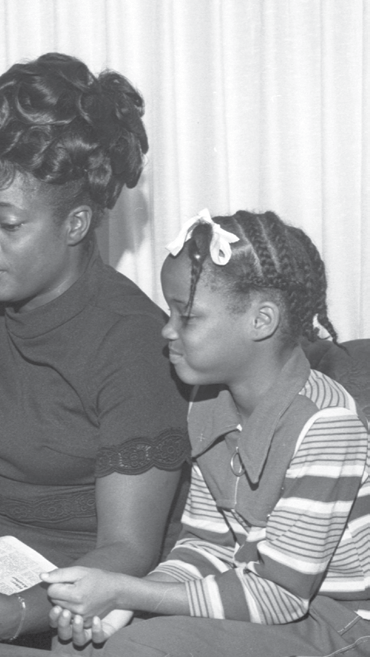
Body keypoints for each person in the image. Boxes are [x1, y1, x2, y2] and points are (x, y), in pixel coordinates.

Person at [0, 52, 191, 643]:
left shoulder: (133, 343)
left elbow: (128, 546)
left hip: (98, 591)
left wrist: (12, 614)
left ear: (75, 224)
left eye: (8, 224)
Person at [43, 210, 370, 657]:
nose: (167, 329)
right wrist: (126, 603)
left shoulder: (326, 425)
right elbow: (206, 547)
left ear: (262, 320)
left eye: (187, 316)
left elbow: (283, 595)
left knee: (133, 650)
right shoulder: (207, 404)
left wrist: (128, 593)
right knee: (82, 646)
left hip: (343, 622)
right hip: (261, 598)